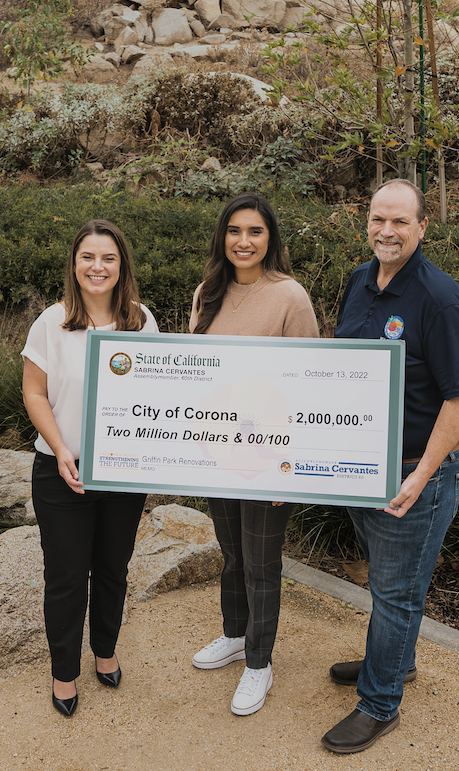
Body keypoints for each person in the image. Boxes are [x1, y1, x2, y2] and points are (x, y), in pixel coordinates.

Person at [320, 179, 459, 754]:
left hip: (419, 470)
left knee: (395, 590)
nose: (386, 231)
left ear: (422, 227)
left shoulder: (438, 298)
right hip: (362, 462)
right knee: (391, 579)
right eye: (377, 220)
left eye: (399, 222)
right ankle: (396, 662)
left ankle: (380, 703)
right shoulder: (359, 281)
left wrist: (420, 475)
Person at [188, 192, 320, 716]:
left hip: (269, 458)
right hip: (220, 451)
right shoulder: (207, 293)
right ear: (223, 237)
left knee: (262, 563)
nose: (244, 241)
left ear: (271, 239)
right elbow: (195, 373)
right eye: (235, 231)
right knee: (233, 553)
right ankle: (236, 635)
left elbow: (307, 386)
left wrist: (287, 467)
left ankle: (260, 664)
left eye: (255, 232)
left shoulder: (290, 297)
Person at [21, 219, 159, 717]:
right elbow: (34, 393)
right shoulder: (51, 322)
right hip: (62, 472)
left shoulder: (142, 321)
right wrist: (60, 449)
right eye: (88, 258)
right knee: (64, 576)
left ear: (122, 266)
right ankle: (64, 672)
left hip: (122, 473)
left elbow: (156, 394)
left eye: (108, 258)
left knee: (113, 570)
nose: (97, 267)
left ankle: (105, 650)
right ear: (74, 266)